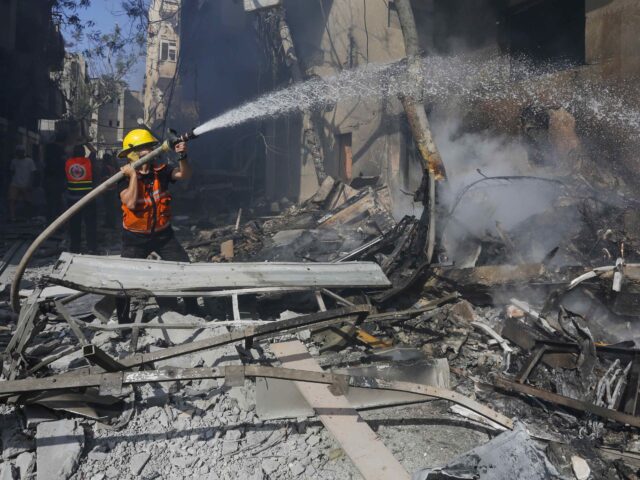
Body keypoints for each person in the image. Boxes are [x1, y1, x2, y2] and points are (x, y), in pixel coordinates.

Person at [116, 128, 198, 322]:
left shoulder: (161, 172)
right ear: (133, 153)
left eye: (151, 147)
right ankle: (123, 321)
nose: (150, 151)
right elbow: (130, 202)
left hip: (163, 235)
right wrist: (134, 176)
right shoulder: (123, 177)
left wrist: (182, 155)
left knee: (185, 269)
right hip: (134, 238)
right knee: (123, 280)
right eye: (145, 148)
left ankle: (193, 309)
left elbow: (184, 175)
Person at [65, 145, 98, 253]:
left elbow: (67, 151)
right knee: (90, 224)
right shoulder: (88, 162)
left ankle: (74, 248)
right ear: (84, 153)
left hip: (72, 199)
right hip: (88, 199)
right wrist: (86, 142)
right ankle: (92, 248)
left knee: (74, 225)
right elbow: (94, 151)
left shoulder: (68, 162)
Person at [8, 145, 36, 222]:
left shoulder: (29, 161)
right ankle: (12, 217)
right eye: (18, 152)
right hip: (15, 183)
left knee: (28, 202)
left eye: (21, 152)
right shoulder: (14, 161)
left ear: (23, 152)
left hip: (26, 184)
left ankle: (28, 217)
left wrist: (30, 183)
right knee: (12, 200)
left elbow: (33, 173)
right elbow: (12, 172)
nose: (19, 153)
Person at [43, 135, 67, 223]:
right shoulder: (60, 151)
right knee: (57, 203)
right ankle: (55, 223)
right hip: (57, 180)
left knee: (50, 203)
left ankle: (49, 221)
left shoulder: (48, 148)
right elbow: (63, 165)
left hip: (48, 179)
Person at [100, 152, 119, 228]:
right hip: (112, 189)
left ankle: (110, 224)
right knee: (111, 208)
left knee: (108, 208)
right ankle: (110, 223)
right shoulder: (112, 167)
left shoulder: (105, 168)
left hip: (107, 190)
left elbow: (104, 179)